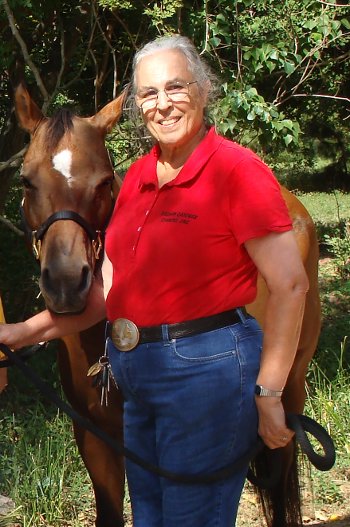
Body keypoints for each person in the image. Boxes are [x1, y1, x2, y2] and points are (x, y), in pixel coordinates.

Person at [0, 34, 309, 527]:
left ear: (203, 92)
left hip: (207, 374)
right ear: (137, 105)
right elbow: (111, 291)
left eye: (175, 88)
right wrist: (18, 334)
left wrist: (270, 394)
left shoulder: (236, 170)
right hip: (141, 374)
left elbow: (291, 287)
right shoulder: (140, 177)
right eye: (148, 93)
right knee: (152, 517)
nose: (161, 105)